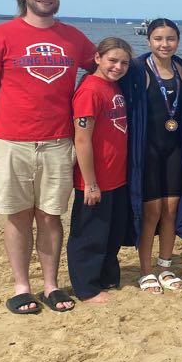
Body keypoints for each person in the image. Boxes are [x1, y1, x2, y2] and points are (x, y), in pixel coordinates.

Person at [0, 0, 96, 314]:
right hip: (10, 142)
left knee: (50, 217)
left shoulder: (73, 38)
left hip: (58, 143)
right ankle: (22, 286)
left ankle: (51, 285)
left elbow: (104, 69)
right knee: (17, 216)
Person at [122, 18, 182, 295]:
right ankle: (146, 270)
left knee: (172, 210)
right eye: (158, 39)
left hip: (176, 150)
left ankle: (165, 266)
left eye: (170, 39)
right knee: (151, 212)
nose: (164, 44)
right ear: (149, 41)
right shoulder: (137, 68)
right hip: (148, 152)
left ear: (178, 41)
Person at [66, 37, 133, 304]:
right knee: (89, 235)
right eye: (112, 60)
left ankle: (106, 277)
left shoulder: (113, 85)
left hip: (117, 176)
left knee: (112, 233)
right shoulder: (90, 90)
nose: (118, 67)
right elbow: (82, 139)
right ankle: (86, 288)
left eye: (124, 63)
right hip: (95, 180)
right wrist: (90, 183)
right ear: (97, 58)